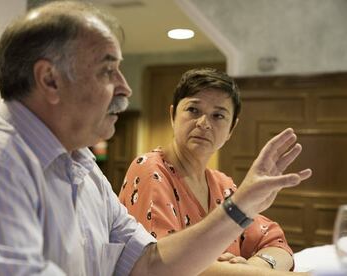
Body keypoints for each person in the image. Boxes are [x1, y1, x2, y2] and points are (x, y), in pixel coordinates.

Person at [0, 1, 312, 275]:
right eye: (108, 71)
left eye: (218, 116)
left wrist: (241, 205)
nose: (125, 89)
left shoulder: (82, 168)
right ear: (50, 80)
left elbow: (150, 263)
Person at [119, 68, 305, 275]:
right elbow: (164, 265)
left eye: (218, 115)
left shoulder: (222, 184)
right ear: (172, 115)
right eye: (193, 110)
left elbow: (277, 243)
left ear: (231, 130)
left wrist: (255, 265)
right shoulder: (150, 169)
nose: (204, 123)